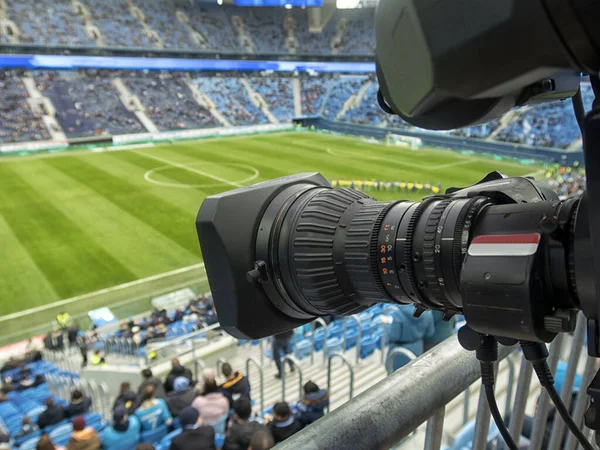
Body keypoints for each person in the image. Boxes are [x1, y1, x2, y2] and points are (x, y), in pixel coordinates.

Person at [386, 306, 435, 373]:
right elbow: (430, 333)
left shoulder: (398, 314)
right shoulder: (427, 313)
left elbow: (394, 336)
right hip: (417, 348)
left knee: (396, 375)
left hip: (399, 351)